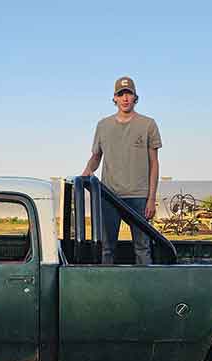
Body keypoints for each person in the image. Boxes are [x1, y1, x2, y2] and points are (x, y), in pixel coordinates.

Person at [82, 76, 162, 264]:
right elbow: (96, 157)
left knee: (142, 248)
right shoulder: (103, 125)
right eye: (121, 94)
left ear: (135, 97)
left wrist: (151, 199)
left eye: (129, 94)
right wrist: (86, 171)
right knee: (107, 247)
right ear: (115, 99)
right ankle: (106, 288)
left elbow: (154, 163)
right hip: (110, 196)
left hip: (139, 196)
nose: (125, 98)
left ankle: (145, 288)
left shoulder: (148, 124)